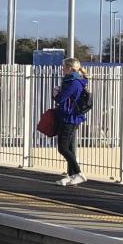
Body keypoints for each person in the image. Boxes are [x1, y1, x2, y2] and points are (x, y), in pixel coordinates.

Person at [50, 57, 89, 185]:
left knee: (62, 147)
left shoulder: (74, 82)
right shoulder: (70, 81)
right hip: (67, 116)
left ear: (70, 68)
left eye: (64, 67)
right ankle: (71, 175)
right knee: (70, 148)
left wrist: (56, 92)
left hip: (70, 118)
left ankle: (78, 173)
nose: (62, 69)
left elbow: (60, 98)